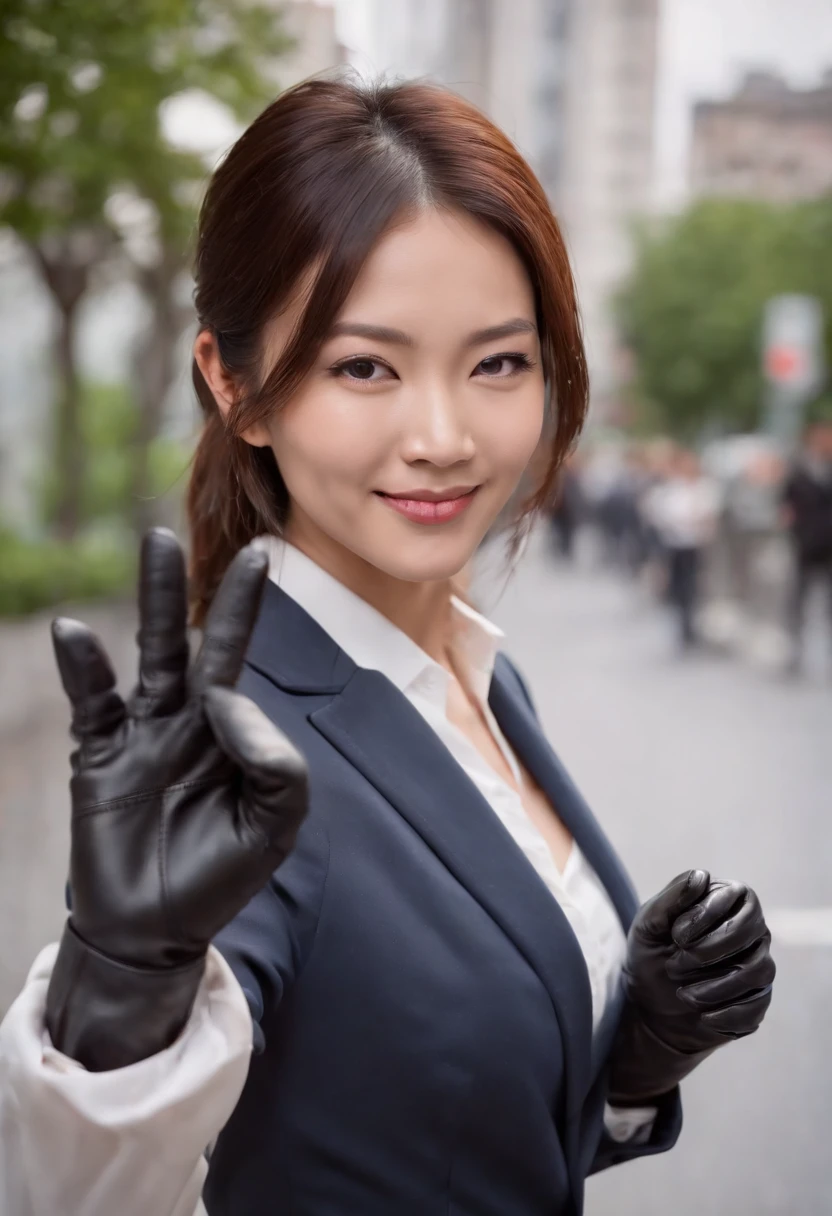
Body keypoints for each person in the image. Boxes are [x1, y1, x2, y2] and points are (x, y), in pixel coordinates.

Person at [0, 78, 775, 1216]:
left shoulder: (479, 672)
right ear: (235, 385)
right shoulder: (231, 753)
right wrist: (118, 990)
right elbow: (84, 1195)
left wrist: (630, 1061)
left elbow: (434, 1126)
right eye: (365, 365)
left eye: (498, 362)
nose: (445, 437)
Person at [643, 448, 721, 650]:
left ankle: (696, 623)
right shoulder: (670, 489)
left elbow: (710, 515)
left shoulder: (705, 488)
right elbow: (661, 515)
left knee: (697, 586)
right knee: (681, 588)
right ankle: (684, 624)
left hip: (699, 545)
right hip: (676, 545)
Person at [781, 420, 832, 676]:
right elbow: (786, 503)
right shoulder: (798, 469)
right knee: (798, 599)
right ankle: (796, 651)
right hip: (806, 542)